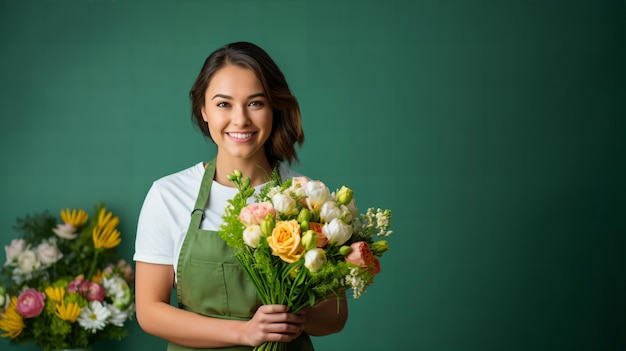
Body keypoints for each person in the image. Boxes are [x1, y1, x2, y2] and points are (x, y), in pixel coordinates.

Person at [133, 42, 348, 351]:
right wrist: (245, 333)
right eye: (224, 104)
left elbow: (334, 317)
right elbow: (150, 312)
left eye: (255, 103)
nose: (240, 120)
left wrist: (292, 315)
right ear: (203, 110)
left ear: (274, 106)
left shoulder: (309, 197)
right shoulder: (168, 195)